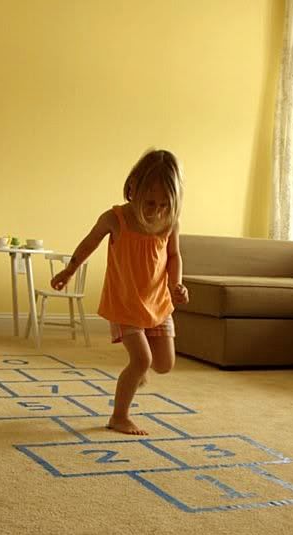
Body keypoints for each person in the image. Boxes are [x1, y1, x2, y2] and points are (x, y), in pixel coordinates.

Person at [51, 149, 189, 435]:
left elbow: (174, 256)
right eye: (150, 202)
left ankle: (138, 374)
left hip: (158, 301)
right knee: (142, 360)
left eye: (165, 204)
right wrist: (69, 270)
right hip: (125, 302)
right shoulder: (116, 218)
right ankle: (119, 416)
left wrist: (176, 284)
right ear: (132, 188)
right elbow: (89, 243)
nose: (156, 210)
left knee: (164, 364)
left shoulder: (169, 221)